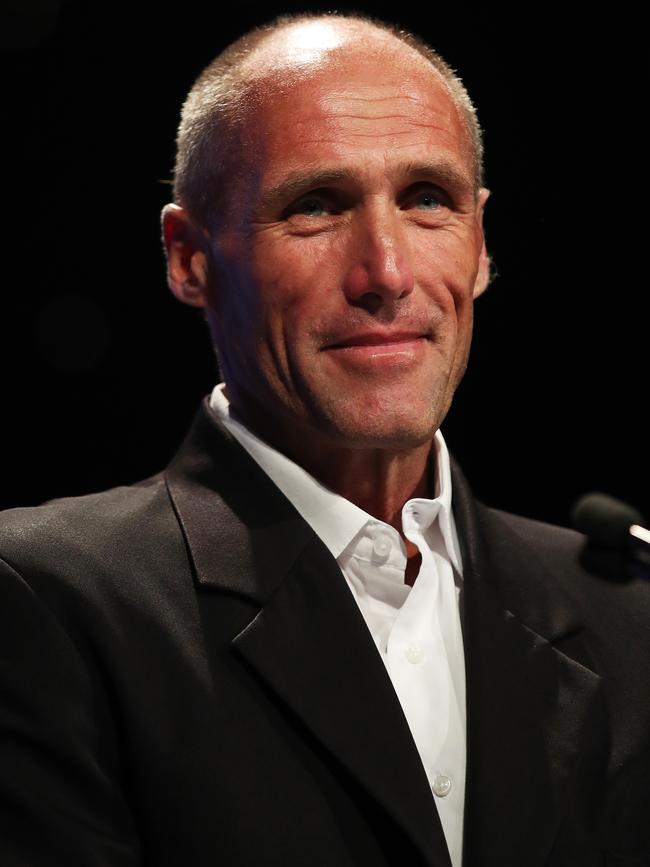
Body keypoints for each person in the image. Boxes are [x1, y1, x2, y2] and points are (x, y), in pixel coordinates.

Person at [0, 11, 648, 867]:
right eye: (315, 206)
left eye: (427, 200)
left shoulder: (626, 607)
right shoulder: (45, 599)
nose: (386, 272)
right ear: (189, 257)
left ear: (482, 244)